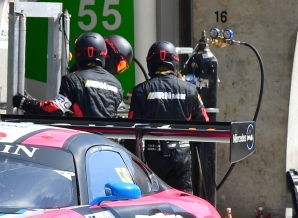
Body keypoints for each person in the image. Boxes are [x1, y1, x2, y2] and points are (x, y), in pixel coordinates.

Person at [129, 41, 209, 193]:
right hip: (182, 156)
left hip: (152, 156)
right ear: (174, 62)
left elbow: (131, 132)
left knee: (154, 202)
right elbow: (203, 123)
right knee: (182, 201)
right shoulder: (190, 90)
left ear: (150, 63)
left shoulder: (140, 91)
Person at [14, 32, 123, 118]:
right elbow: (101, 113)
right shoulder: (117, 84)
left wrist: (26, 104)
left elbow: (54, 109)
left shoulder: (73, 79)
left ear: (78, 54)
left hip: (84, 140)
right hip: (109, 142)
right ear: (103, 54)